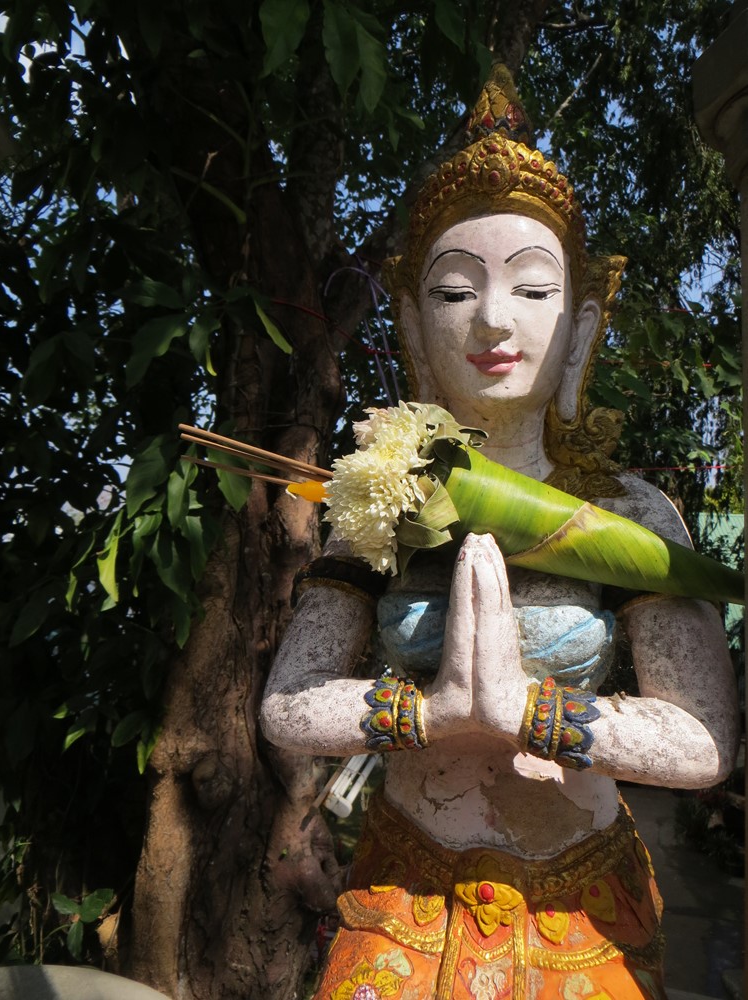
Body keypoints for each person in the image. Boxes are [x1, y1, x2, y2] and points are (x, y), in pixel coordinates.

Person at [260, 66, 739, 1000]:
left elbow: (703, 740)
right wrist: (430, 712)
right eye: (451, 293)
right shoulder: (382, 500)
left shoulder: (625, 512)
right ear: (409, 323)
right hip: (404, 887)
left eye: (530, 290)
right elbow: (287, 705)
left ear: (583, 323)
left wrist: (530, 712)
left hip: (579, 899)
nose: (491, 319)